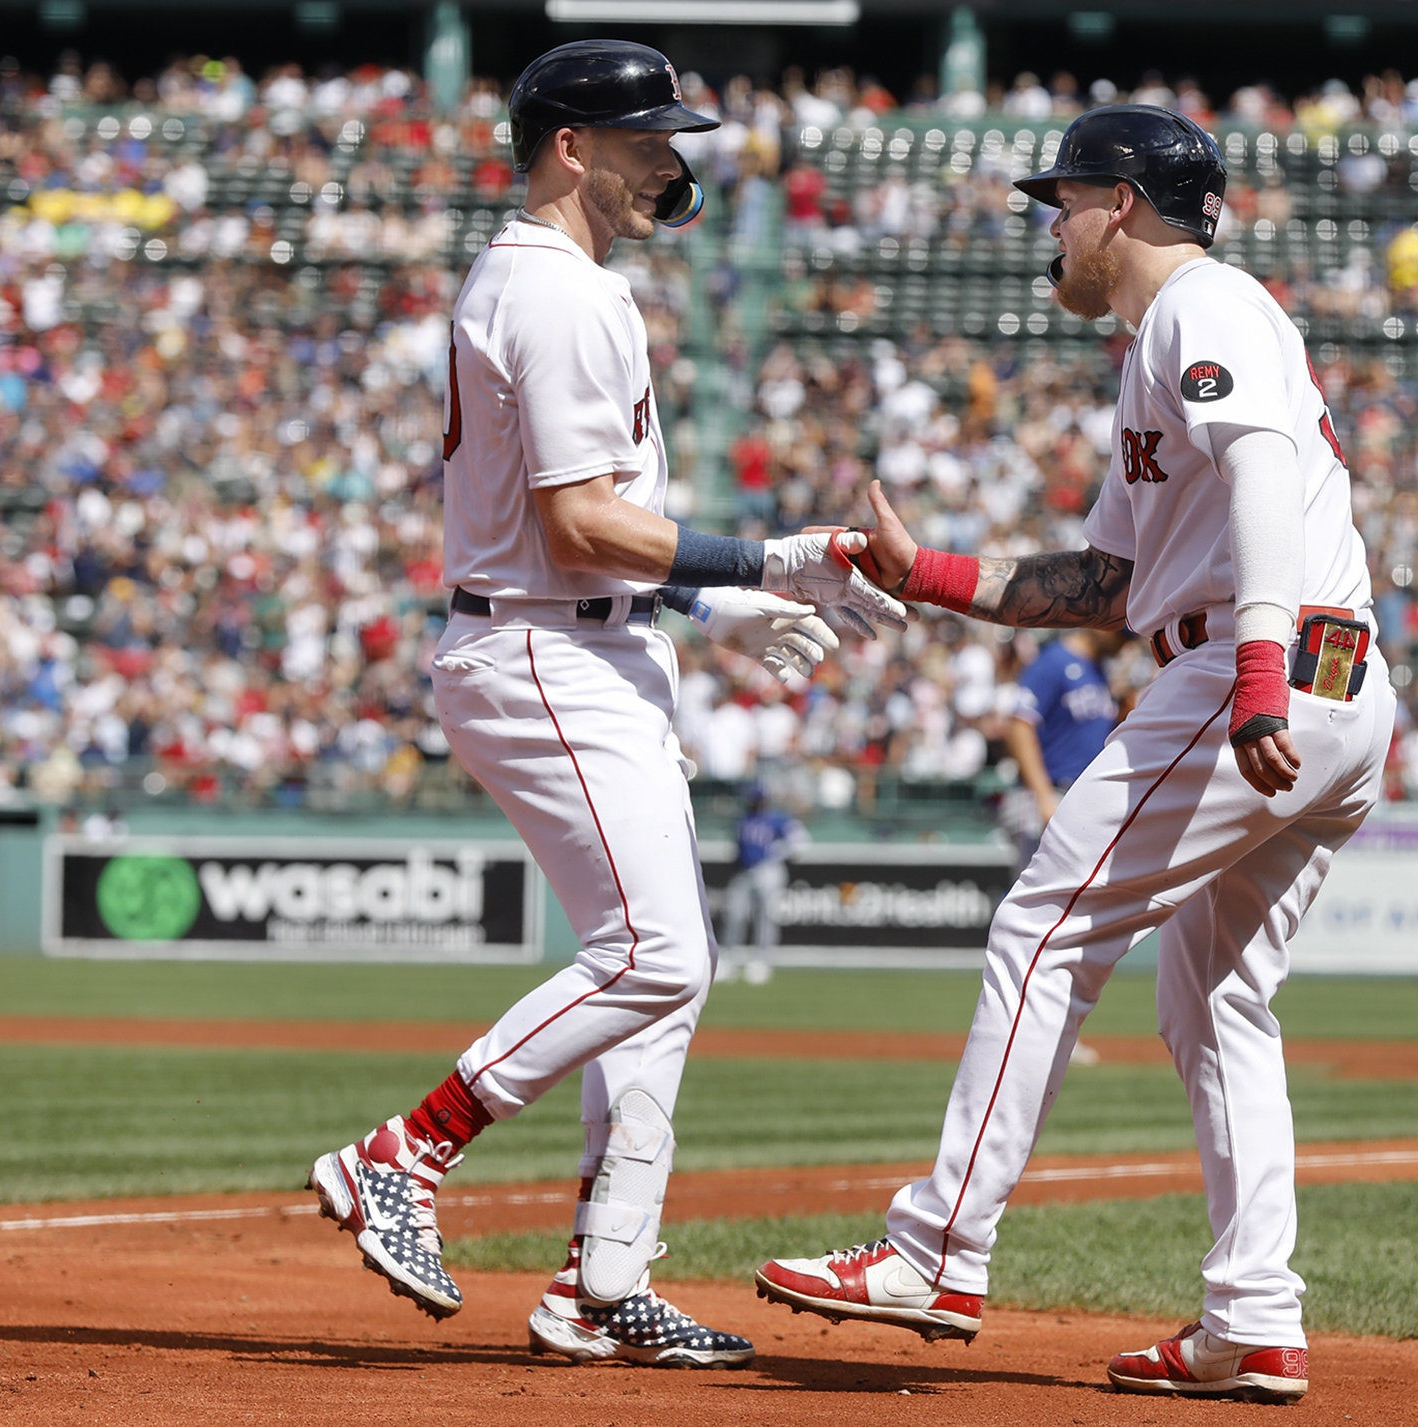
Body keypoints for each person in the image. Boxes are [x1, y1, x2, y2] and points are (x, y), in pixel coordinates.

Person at [754, 104, 1395, 1403]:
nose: (1052, 226)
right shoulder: (1169, 342)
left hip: (1257, 663)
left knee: (1040, 927)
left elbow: (1265, 471)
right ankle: (1254, 1318)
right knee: (1214, 1000)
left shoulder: (1198, 307)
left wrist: (1257, 671)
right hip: (1333, 669)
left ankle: (936, 1246)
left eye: (1062, 202)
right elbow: (1106, 578)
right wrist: (925, 571)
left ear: (1119, 202)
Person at [305, 38, 905, 1369]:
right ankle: (407, 1149)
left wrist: (718, 603)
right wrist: (766, 558)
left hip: (590, 637)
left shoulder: (562, 282)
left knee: (660, 974)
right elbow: (579, 524)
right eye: (646, 137)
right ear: (570, 144)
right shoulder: (561, 293)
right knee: (660, 955)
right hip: (544, 648)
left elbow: (592, 523)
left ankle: (600, 1280)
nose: (670, 160)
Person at [1002, 628, 1128, 870]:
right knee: (1035, 899)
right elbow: (1020, 725)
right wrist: (1043, 796)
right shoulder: (1054, 660)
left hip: (1082, 799)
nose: (1123, 644)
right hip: (1050, 791)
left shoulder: (1097, 669)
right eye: (1121, 635)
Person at [721, 783, 807, 952]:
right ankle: (727, 957)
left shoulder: (777, 819)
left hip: (767, 870)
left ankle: (761, 959)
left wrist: (777, 852)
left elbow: (800, 842)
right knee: (734, 914)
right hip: (744, 870)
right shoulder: (744, 819)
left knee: (765, 916)